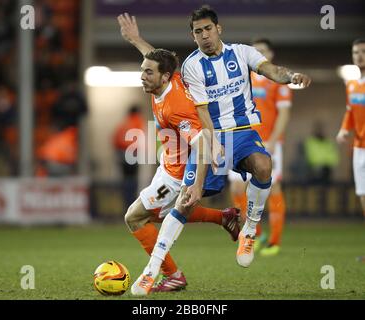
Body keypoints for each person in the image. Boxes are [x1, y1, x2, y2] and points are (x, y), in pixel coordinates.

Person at [129, 6, 311, 296]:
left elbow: (271, 71)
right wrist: (208, 155)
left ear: (219, 29)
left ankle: (249, 230)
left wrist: (291, 76)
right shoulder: (191, 67)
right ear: (193, 35)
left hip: (242, 132)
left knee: (265, 166)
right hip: (212, 137)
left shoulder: (242, 53)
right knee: (186, 202)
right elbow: (168, 77)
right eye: (198, 31)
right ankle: (152, 271)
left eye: (208, 29)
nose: (204, 35)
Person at [117, 13, 241, 293]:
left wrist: (194, 185)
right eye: (143, 70)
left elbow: (201, 146)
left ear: (162, 77)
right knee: (161, 213)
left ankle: (172, 275)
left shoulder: (176, 107)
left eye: (148, 73)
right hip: (168, 162)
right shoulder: (164, 77)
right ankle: (224, 217)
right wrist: (135, 39)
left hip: (178, 173)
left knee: (135, 217)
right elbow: (154, 58)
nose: (142, 76)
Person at [228, 38, 292, 257]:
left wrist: (274, 139)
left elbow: (284, 113)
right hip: (239, 139)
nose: (258, 54)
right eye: (255, 51)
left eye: (263, 51)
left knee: (272, 187)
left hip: (267, 142)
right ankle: (255, 233)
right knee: (237, 189)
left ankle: (274, 240)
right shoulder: (241, 78)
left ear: (270, 55)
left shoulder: (276, 79)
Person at [336, 38, 365, 218]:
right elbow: (350, 112)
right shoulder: (352, 85)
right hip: (359, 146)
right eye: (356, 53)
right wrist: (344, 129)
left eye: (363, 52)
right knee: (362, 192)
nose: (359, 56)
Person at [112, 105, 146, 210]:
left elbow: (115, 140)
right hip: (133, 154)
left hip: (122, 155)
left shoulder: (123, 124)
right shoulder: (138, 122)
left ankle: (126, 205)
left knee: (125, 181)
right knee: (133, 181)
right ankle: (132, 205)